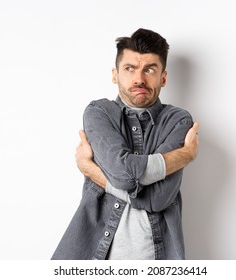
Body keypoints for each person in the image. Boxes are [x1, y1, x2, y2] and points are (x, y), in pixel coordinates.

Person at [51, 28, 199, 260]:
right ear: (115, 74)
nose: (139, 79)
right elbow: (123, 175)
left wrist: (93, 172)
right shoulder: (99, 112)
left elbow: (156, 199)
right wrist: (185, 155)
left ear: (163, 77)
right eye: (129, 68)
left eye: (149, 69)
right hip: (91, 256)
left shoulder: (177, 120)